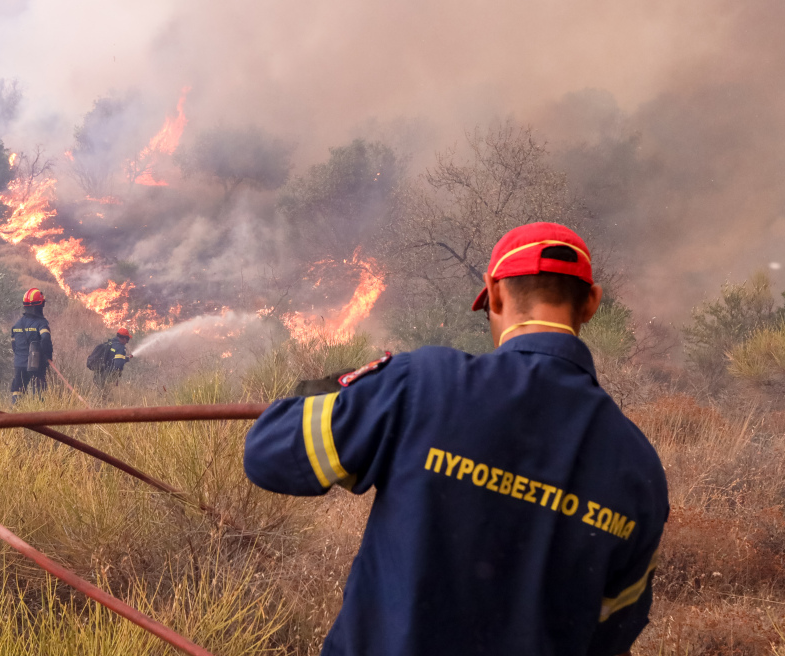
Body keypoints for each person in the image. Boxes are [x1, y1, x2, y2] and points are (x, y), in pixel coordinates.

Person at [244, 222, 669, 656]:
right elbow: (613, 632)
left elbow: (269, 453)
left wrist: (344, 393)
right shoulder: (640, 469)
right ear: (592, 304)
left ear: (495, 293)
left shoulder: (423, 385)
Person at [10, 288, 52, 402]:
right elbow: (45, 339)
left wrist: (21, 356)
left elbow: (13, 345)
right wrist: (47, 357)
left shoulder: (17, 324)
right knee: (38, 393)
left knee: (17, 392)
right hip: (36, 364)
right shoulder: (41, 323)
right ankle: (38, 416)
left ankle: (14, 416)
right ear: (39, 305)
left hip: (19, 364)